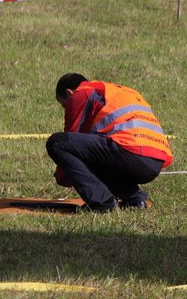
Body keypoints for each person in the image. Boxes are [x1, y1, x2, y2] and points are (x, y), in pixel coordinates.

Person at [46, 73, 173, 212]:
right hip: (154, 162)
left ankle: (102, 202)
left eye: (64, 105)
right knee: (96, 152)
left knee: (57, 142)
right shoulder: (119, 92)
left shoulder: (82, 93)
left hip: (130, 152)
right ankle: (134, 199)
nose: (67, 109)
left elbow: (72, 135)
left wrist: (62, 175)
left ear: (69, 93)